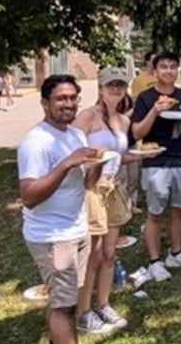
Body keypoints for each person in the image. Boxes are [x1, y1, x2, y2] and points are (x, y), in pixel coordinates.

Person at [18, 74, 106, 344]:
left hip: (77, 229)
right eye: (61, 98)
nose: (68, 104)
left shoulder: (76, 134)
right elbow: (29, 196)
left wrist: (98, 165)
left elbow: (87, 185)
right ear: (45, 103)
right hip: (52, 236)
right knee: (64, 307)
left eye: (72, 98)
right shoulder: (36, 142)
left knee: (63, 300)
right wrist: (66, 163)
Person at [72, 67, 134, 335]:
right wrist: (91, 164)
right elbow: (72, 151)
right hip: (92, 190)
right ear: (100, 87)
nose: (116, 89)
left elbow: (120, 155)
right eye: (111, 84)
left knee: (110, 253)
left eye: (120, 85)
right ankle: (83, 313)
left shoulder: (124, 120)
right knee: (93, 254)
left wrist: (141, 156)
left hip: (114, 188)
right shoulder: (87, 116)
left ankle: (103, 304)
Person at [131, 52, 181, 281]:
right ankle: (154, 261)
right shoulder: (145, 98)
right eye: (164, 67)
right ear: (155, 70)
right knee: (155, 212)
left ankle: (176, 253)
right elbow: (137, 132)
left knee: (179, 210)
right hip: (156, 162)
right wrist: (154, 111)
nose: (168, 71)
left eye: (172, 67)